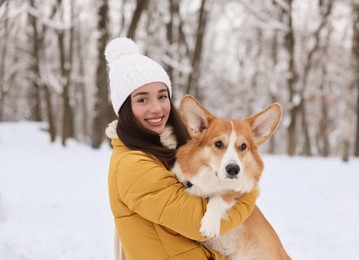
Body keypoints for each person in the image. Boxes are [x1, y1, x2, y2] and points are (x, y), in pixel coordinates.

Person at [104, 37, 258, 260]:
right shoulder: (132, 164)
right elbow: (197, 223)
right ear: (125, 108)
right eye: (142, 100)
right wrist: (246, 191)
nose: (156, 108)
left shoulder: (168, 151)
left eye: (162, 96)